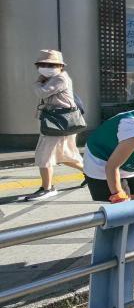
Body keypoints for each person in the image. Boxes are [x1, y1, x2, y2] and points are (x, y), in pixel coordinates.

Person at [25, 50, 85, 201]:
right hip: (60, 122)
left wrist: (38, 81)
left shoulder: (60, 79)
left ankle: (48, 188)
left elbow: (41, 93)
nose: (46, 67)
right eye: (42, 64)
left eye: (51, 65)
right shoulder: (53, 78)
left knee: (44, 155)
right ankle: (92, 174)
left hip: (59, 123)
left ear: (60, 66)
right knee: (65, 155)